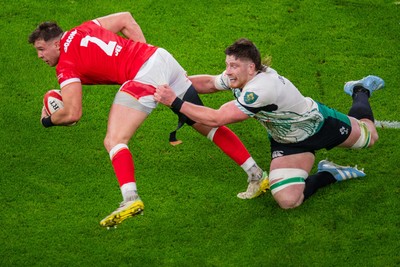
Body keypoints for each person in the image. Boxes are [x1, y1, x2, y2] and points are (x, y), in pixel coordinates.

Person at [28, 13, 269, 228]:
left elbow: (73, 113)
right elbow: (125, 18)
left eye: (41, 49)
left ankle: (130, 199)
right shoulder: (84, 28)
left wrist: (48, 120)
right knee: (202, 123)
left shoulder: (66, 64)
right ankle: (257, 175)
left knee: (114, 140)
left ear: (57, 43)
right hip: (159, 57)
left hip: (145, 73)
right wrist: (141, 56)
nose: (40, 55)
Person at [154, 38, 385, 209]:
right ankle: (330, 173)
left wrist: (173, 101)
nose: (228, 71)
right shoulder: (240, 76)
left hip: (318, 125)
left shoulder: (261, 89)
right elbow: (210, 83)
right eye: (227, 65)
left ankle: (360, 90)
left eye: (233, 66)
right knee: (288, 200)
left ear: (251, 67)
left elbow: (218, 118)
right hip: (287, 141)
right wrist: (176, 82)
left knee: (369, 137)